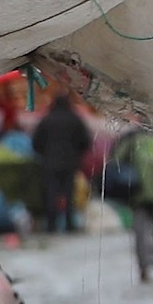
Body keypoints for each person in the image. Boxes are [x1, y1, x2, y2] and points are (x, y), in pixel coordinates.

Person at [110, 127, 153, 282]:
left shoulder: (134, 140)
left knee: (140, 231)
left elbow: (116, 160)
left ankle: (143, 268)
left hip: (139, 192)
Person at [31, 92, 92, 233]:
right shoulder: (75, 120)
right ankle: (70, 223)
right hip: (70, 163)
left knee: (51, 193)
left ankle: (51, 225)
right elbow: (85, 141)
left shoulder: (46, 120)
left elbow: (36, 142)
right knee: (70, 193)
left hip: (49, 162)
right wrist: (77, 155)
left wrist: (44, 154)